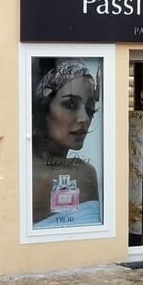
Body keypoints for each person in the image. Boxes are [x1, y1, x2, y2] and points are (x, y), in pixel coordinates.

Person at [31, 59, 102, 228]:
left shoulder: (86, 174)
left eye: (90, 108)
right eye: (70, 104)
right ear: (44, 109)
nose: (84, 118)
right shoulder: (29, 174)